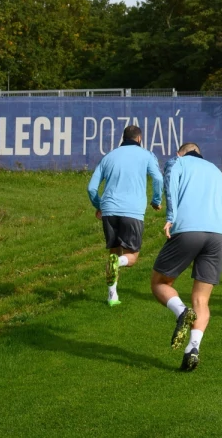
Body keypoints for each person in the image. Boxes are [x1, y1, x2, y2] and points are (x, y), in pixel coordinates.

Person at [150, 143, 222, 372]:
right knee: (202, 300)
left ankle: (181, 312)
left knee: (160, 282)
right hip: (218, 236)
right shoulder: (216, 170)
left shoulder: (177, 163)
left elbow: (170, 185)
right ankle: (193, 348)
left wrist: (170, 216)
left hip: (188, 230)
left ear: (180, 153)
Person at [86, 124, 163, 307]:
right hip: (132, 211)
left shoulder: (109, 156)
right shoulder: (146, 155)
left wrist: (99, 205)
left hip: (110, 211)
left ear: (123, 138)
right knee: (131, 257)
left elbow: (91, 188)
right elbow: (158, 178)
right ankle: (119, 263)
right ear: (139, 139)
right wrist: (156, 200)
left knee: (114, 252)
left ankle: (112, 296)